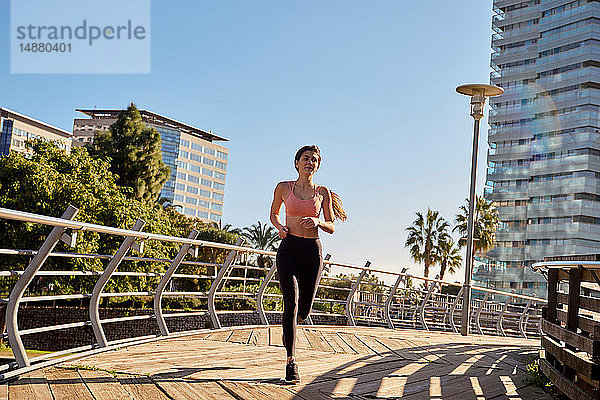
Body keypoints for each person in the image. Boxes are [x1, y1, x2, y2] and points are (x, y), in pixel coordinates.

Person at [269, 145, 347, 383]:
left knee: (303, 310)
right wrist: (280, 227)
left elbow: (332, 226)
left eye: (314, 160)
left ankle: (291, 328)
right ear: (296, 163)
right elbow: (273, 214)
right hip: (288, 249)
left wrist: (318, 222)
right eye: (305, 159)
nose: (309, 163)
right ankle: (291, 362)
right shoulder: (284, 188)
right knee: (290, 303)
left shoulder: (322, 192)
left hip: (312, 252)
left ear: (318, 165)